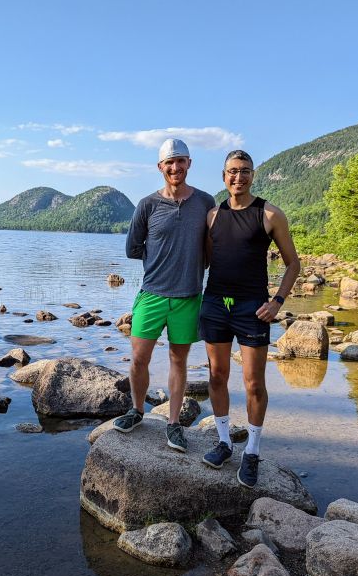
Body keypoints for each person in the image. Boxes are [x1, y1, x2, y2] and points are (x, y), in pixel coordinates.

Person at [199, 149, 300, 487]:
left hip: (252, 307)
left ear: (253, 175)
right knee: (216, 376)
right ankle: (225, 442)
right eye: (232, 171)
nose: (238, 177)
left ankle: (252, 451)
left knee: (254, 383)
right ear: (223, 176)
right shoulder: (213, 216)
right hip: (215, 303)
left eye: (244, 171)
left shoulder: (269, 214)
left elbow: (293, 264)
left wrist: (277, 301)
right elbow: (211, 261)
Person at [112, 138, 215, 452]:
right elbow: (132, 248)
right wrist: (159, 260)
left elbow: (211, 248)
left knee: (178, 361)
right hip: (152, 295)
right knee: (139, 359)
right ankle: (137, 410)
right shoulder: (147, 204)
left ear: (189, 164)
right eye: (169, 163)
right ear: (160, 167)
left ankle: (173, 425)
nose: (175, 167)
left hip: (188, 297)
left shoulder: (206, 202)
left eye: (180, 161)